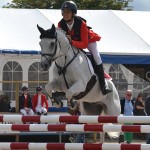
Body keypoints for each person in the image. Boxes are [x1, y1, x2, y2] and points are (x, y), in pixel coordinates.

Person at [58, 1, 111, 95]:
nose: (65, 14)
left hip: (88, 40)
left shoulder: (81, 23)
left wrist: (71, 41)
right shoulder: (60, 24)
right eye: (64, 12)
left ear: (73, 13)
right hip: (72, 43)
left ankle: (103, 84)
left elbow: (84, 44)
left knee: (96, 56)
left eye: (68, 12)